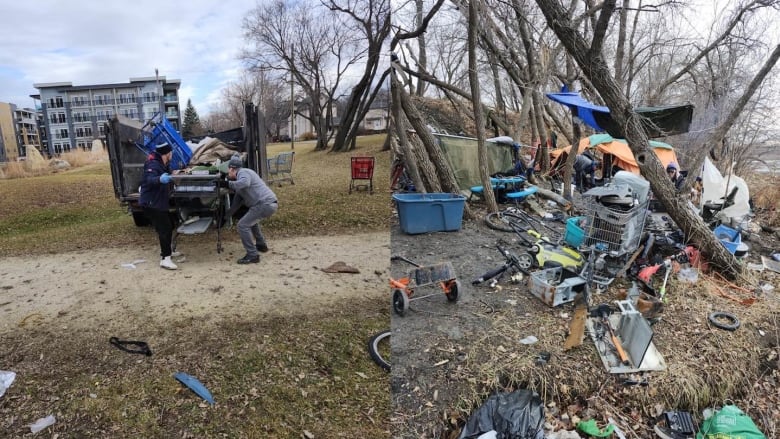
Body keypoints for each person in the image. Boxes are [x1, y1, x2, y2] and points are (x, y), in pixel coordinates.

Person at [225, 157, 278, 264]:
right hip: (268, 204)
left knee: (242, 225)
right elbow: (235, 205)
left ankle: (252, 255)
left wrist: (227, 184)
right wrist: (225, 217)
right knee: (251, 222)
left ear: (232, 169)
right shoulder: (240, 182)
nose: (228, 173)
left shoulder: (243, 172)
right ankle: (261, 245)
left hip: (264, 203)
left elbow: (245, 183)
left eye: (228, 170)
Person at [139, 142, 179, 270]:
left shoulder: (162, 163)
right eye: (171, 153)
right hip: (151, 203)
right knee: (165, 229)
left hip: (158, 201)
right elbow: (149, 180)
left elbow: (166, 173)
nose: (172, 154)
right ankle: (165, 259)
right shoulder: (153, 164)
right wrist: (160, 179)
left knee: (170, 225)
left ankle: (169, 252)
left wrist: (174, 174)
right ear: (167, 154)